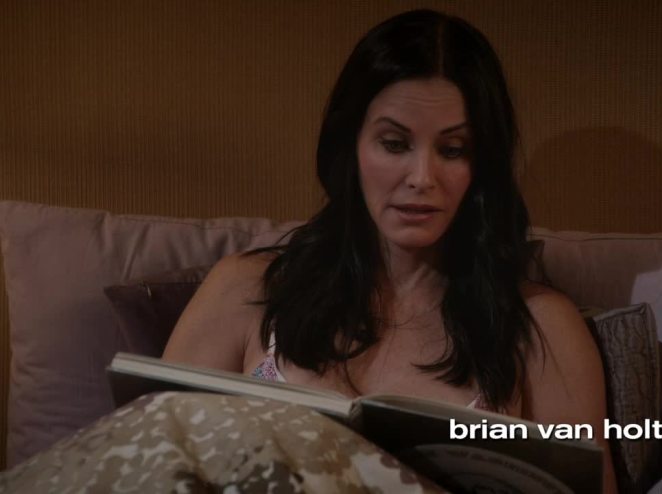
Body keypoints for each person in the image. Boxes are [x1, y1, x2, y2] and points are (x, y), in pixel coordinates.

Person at [163, 9, 617, 493]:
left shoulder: (540, 328)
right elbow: (147, 460)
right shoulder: (243, 289)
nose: (422, 178)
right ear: (351, 146)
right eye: (395, 143)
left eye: (452, 149)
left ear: (481, 164)